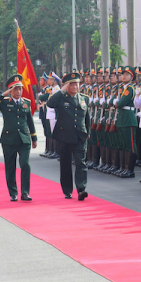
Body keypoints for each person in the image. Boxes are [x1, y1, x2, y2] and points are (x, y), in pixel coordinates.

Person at [0, 74, 37, 201]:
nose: (19, 91)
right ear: (11, 90)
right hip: (9, 139)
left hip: (24, 139)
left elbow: (30, 121)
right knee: (10, 167)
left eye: (20, 89)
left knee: (25, 164)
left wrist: (34, 138)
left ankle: (25, 192)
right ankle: (13, 193)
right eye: (15, 89)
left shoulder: (26, 103)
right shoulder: (4, 102)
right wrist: (4, 94)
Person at [47, 72, 91, 200]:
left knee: (81, 163)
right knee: (65, 164)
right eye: (72, 85)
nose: (75, 87)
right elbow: (50, 103)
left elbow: (87, 117)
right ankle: (67, 190)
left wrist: (88, 132)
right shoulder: (61, 98)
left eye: (77, 84)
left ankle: (81, 189)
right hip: (64, 135)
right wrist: (62, 90)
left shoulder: (84, 98)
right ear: (67, 86)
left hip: (80, 135)